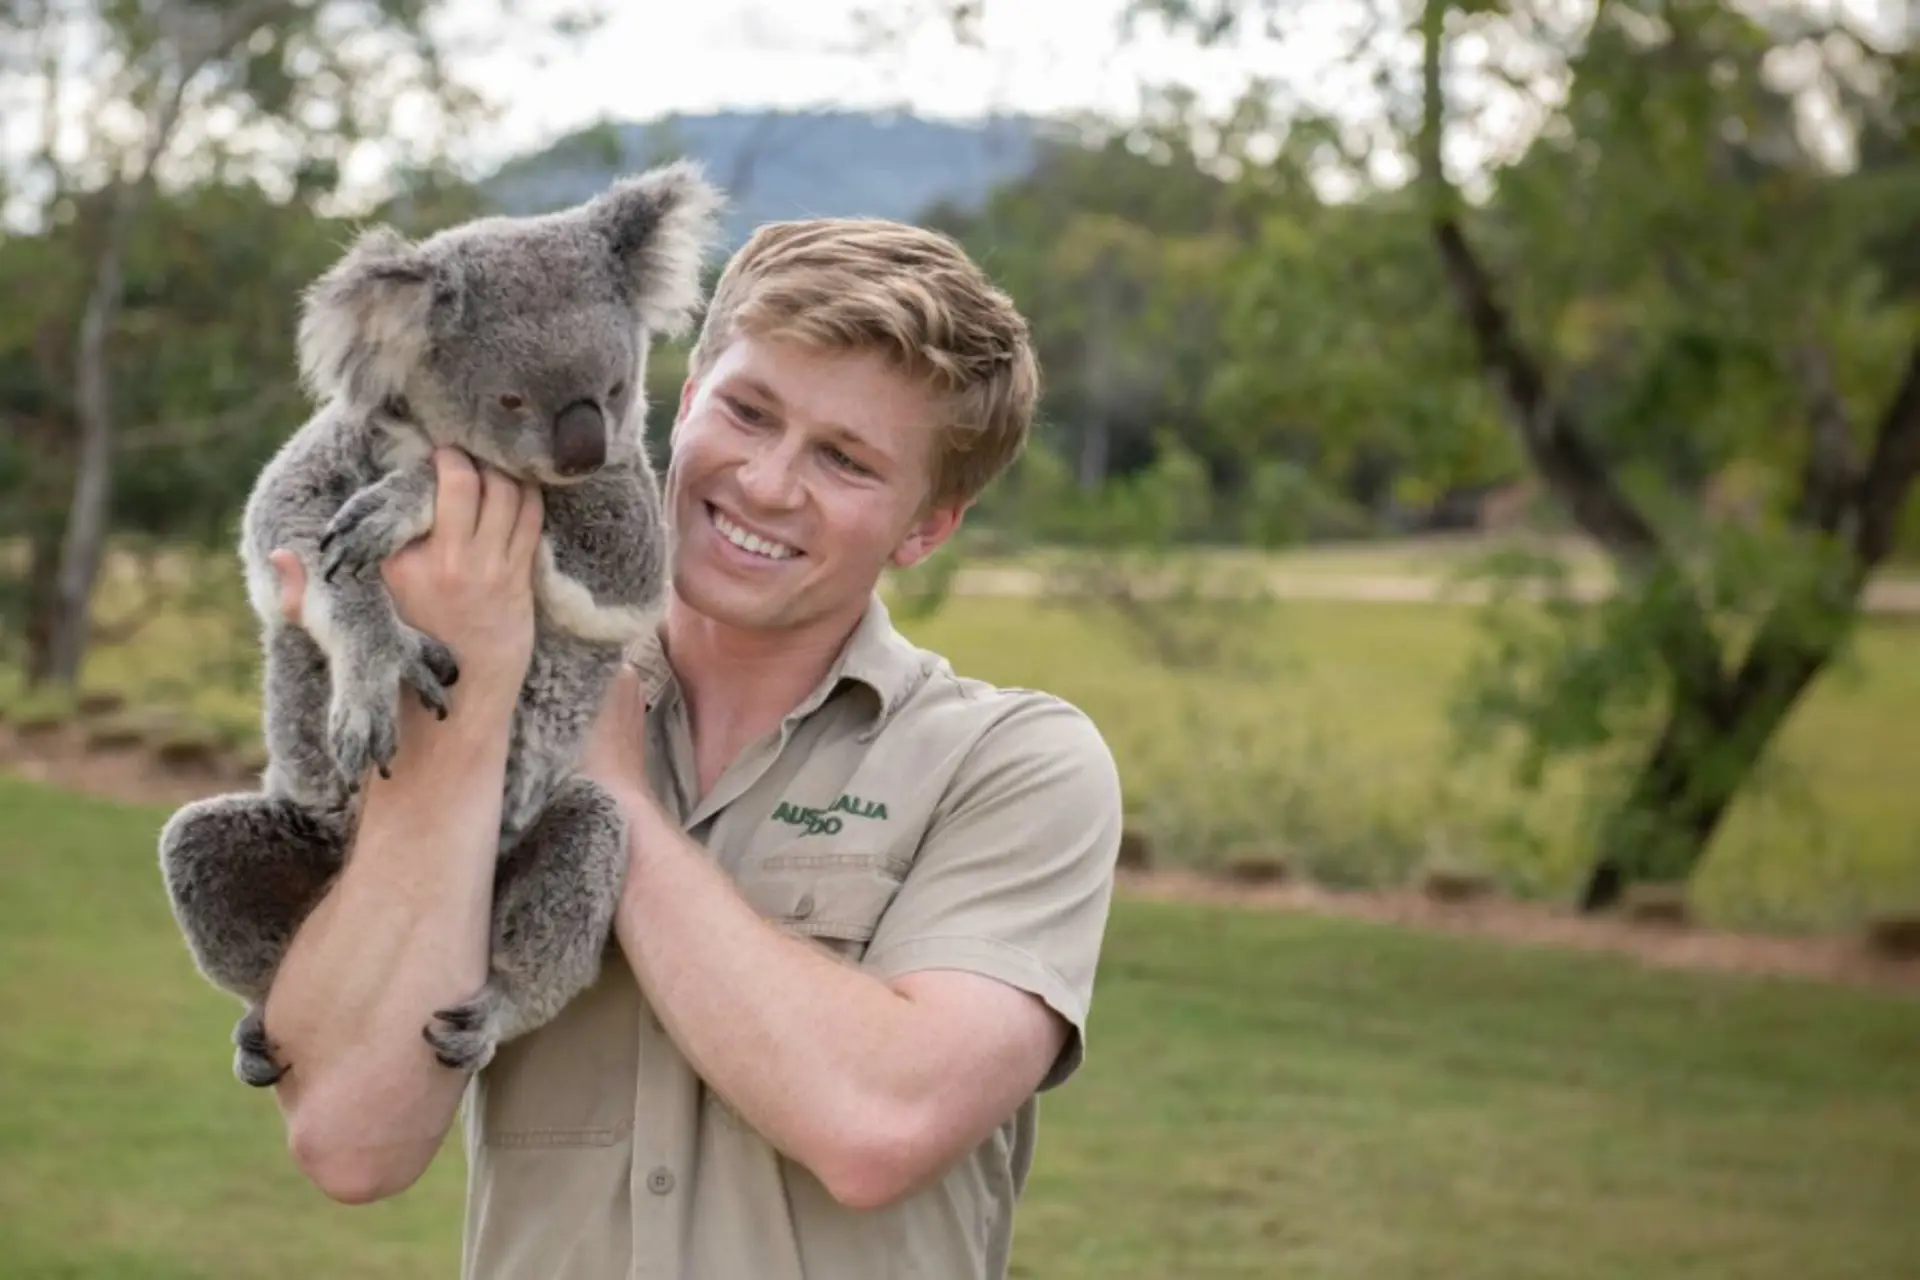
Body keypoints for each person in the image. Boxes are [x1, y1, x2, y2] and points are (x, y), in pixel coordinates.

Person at [253, 215, 1126, 1278]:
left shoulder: (1014, 764)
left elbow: (875, 1126)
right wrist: (480, 710)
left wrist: (607, 783)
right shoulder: (475, 680)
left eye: (845, 461)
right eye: (748, 412)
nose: (765, 483)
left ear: (925, 528)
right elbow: (350, 1140)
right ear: (685, 386)